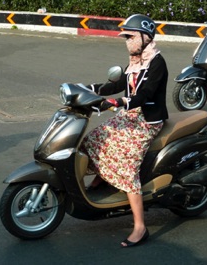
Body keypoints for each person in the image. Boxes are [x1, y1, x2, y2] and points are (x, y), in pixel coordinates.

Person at [80, 14, 169, 248]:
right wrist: (89, 89)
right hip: (130, 115)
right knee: (94, 138)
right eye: (126, 37)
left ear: (145, 37)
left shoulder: (157, 63)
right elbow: (118, 85)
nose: (127, 41)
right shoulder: (135, 60)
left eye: (130, 36)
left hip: (147, 121)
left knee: (127, 165)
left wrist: (120, 103)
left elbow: (146, 94)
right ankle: (103, 179)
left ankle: (140, 227)